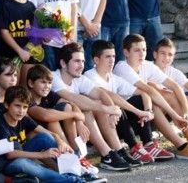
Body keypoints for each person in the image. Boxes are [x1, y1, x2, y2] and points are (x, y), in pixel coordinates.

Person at [113, 34, 188, 161]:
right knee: (154, 98)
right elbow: (149, 91)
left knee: (170, 96)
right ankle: (180, 145)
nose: (142, 54)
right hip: (123, 119)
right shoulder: (122, 67)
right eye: (137, 50)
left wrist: (185, 113)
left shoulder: (147, 65)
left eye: (144, 50)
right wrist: (174, 115)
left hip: (145, 116)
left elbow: (175, 86)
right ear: (126, 52)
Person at [84, 40, 174, 163]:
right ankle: (133, 147)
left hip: (116, 124)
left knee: (137, 99)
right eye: (107, 57)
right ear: (96, 60)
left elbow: (143, 92)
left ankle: (148, 144)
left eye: (114, 56)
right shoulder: (90, 76)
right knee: (117, 106)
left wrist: (147, 111)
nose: (112, 60)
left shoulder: (114, 78)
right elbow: (109, 96)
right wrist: (138, 112)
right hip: (98, 129)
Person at [51, 42, 133, 172]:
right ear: (63, 63)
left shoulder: (79, 78)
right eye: (77, 61)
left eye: (83, 61)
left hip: (77, 122)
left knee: (98, 104)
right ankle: (106, 154)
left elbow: (100, 93)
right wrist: (107, 109)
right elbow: (73, 98)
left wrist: (112, 109)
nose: (81, 66)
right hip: (57, 123)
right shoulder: (54, 78)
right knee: (89, 108)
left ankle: (117, 150)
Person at [0, 85, 85, 183]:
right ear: (6, 104)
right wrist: (42, 155)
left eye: (25, 107)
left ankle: (75, 172)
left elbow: (44, 131)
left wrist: (60, 141)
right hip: (4, 165)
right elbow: (10, 155)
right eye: (17, 106)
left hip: (20, 154)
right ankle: (71, 181)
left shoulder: (23, 118)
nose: (21, 111)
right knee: (22, 163)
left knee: (45, 137)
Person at [0, 0, 35, 83]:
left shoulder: (31, 6)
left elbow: (34, 32)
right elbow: (4, 32)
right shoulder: (5, 5)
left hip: (29, 54)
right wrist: (19, 51)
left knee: (26, 87)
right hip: (10, 54)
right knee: (12, 88)